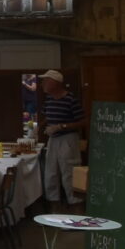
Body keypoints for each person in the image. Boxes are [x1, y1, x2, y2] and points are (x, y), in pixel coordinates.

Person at [33, 67, 86, 210]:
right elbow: (47, 115)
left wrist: (61, 126)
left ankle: (77, 213)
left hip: (68, 140)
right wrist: (39, 127)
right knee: (50, 174)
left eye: (45, 81)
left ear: (54, 83)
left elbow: (83, 121)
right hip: (53, 140)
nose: (42, 84)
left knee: (69, 174)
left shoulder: (70, 100)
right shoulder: (49, 99)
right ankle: (54, 213)